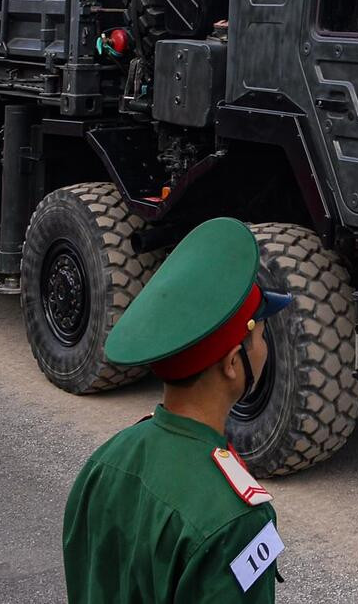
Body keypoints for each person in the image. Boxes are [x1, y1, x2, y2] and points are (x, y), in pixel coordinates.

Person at [64, 218, 292, 603]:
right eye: (260, 335)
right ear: (233, 363)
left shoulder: (106, 462)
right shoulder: (236, 521)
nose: (265, 348)